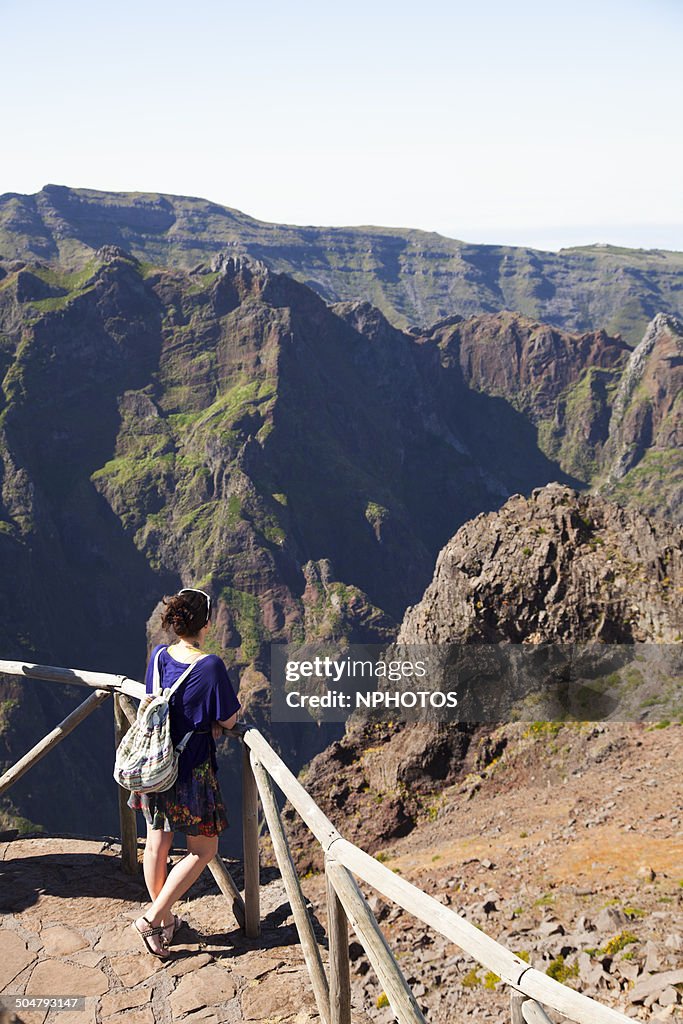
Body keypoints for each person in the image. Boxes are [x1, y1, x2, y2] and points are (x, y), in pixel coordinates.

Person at [128, 587, 241, 958]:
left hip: (154, 765)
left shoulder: (159, 656)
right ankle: (153, 918)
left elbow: (153, 701)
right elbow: (228, 718)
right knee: (203, 850)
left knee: (156, 843)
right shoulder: (209, 666)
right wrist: (212, 724)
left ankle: (164, 922)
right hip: (190, 771)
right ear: (206, 623)